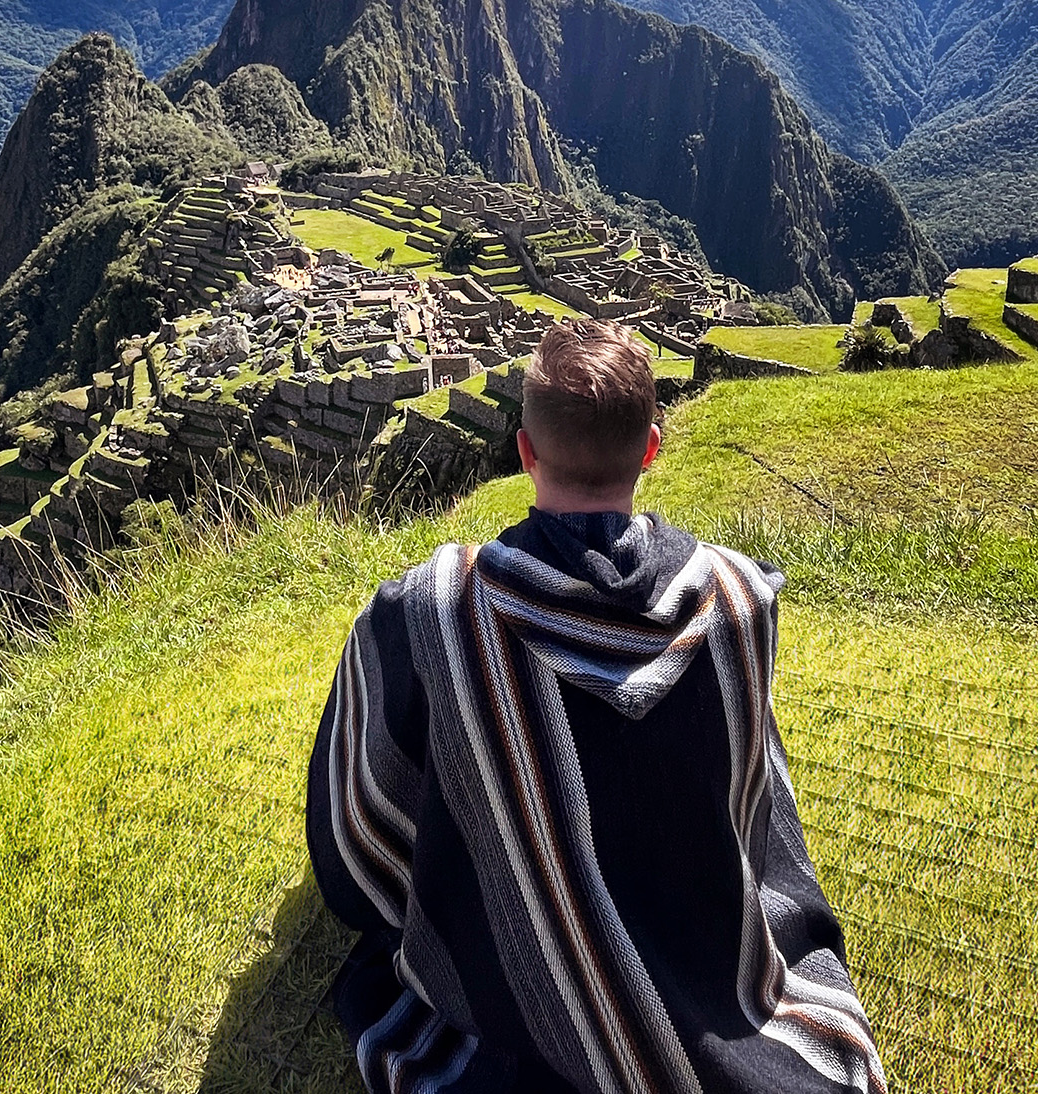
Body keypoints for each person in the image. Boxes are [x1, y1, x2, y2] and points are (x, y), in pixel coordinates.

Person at [306, 318, 886, 1094]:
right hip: (721, 976)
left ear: (524, 451)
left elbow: (361, 809)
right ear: (652, 448)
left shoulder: (432, 611)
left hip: (505, 1004)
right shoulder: (741, 597)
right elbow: (750, 792)